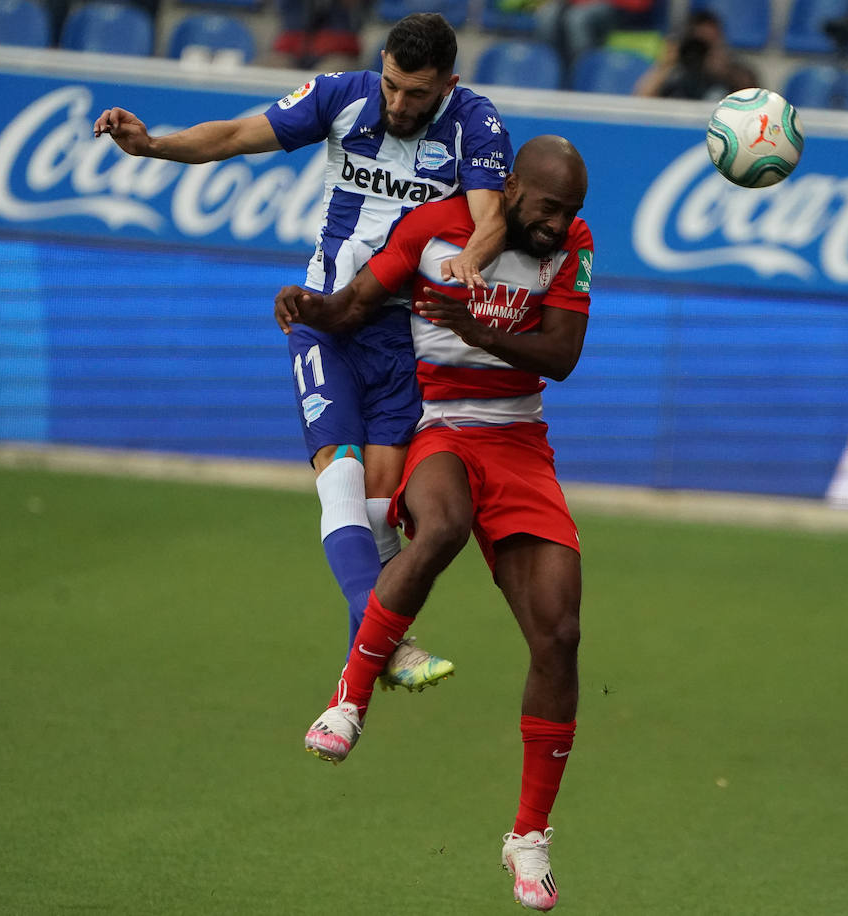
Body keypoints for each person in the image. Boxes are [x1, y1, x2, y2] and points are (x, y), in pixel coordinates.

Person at [94, 13, 515, 685]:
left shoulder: (475, 123)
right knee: (340, 479)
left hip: (407, 335)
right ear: (380, 65)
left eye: (417, 94)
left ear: (449, 84)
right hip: (324, 315)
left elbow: (492, 217)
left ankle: (359, 679)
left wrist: (471, 259)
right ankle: (390, 649)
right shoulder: (340, 95)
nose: (400, 104)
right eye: (393, 86)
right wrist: (153, 147)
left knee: (383, 509)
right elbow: (234, 135)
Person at [276, 134, 591, 913]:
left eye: (570, 211)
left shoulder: (572, 245)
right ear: (511, 188)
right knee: (442, 525)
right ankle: (351, 696)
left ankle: (528, 838)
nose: (559, 224)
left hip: (519, 439)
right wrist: (310, 308)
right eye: (548, 207)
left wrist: (474, 324)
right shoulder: (430, 226)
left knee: (559, 634)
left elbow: (561, 354)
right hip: (442, 426)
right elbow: (354, 305)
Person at [633, 9, 758, 100]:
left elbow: (753, 103)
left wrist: (726, 72)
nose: (703, 49)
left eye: (710, 42)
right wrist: (664, 66)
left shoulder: (735, 71)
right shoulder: (675, 73)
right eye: (699, 42)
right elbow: (641, 100)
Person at [530, 0, 661, 70]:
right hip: (584, 5)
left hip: (623, 10)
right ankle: (550, 76)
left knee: (578, 19)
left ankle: (584, 77)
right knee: (547, 14)